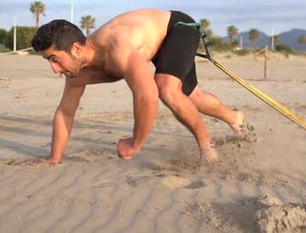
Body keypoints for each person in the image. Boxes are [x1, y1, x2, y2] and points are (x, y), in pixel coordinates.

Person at [30, 9, 244, 165]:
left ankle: (208, 149)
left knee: (166, 88)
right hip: (154, 46)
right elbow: (65, 112)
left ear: (76, 48)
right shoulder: (76, 74)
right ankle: (235, 118)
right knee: (194, 97)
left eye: (55, 59)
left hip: (177, 27)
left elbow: (147, 95)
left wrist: (134, 143)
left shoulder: (116, 48)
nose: (54, 69)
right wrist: (53, 158)